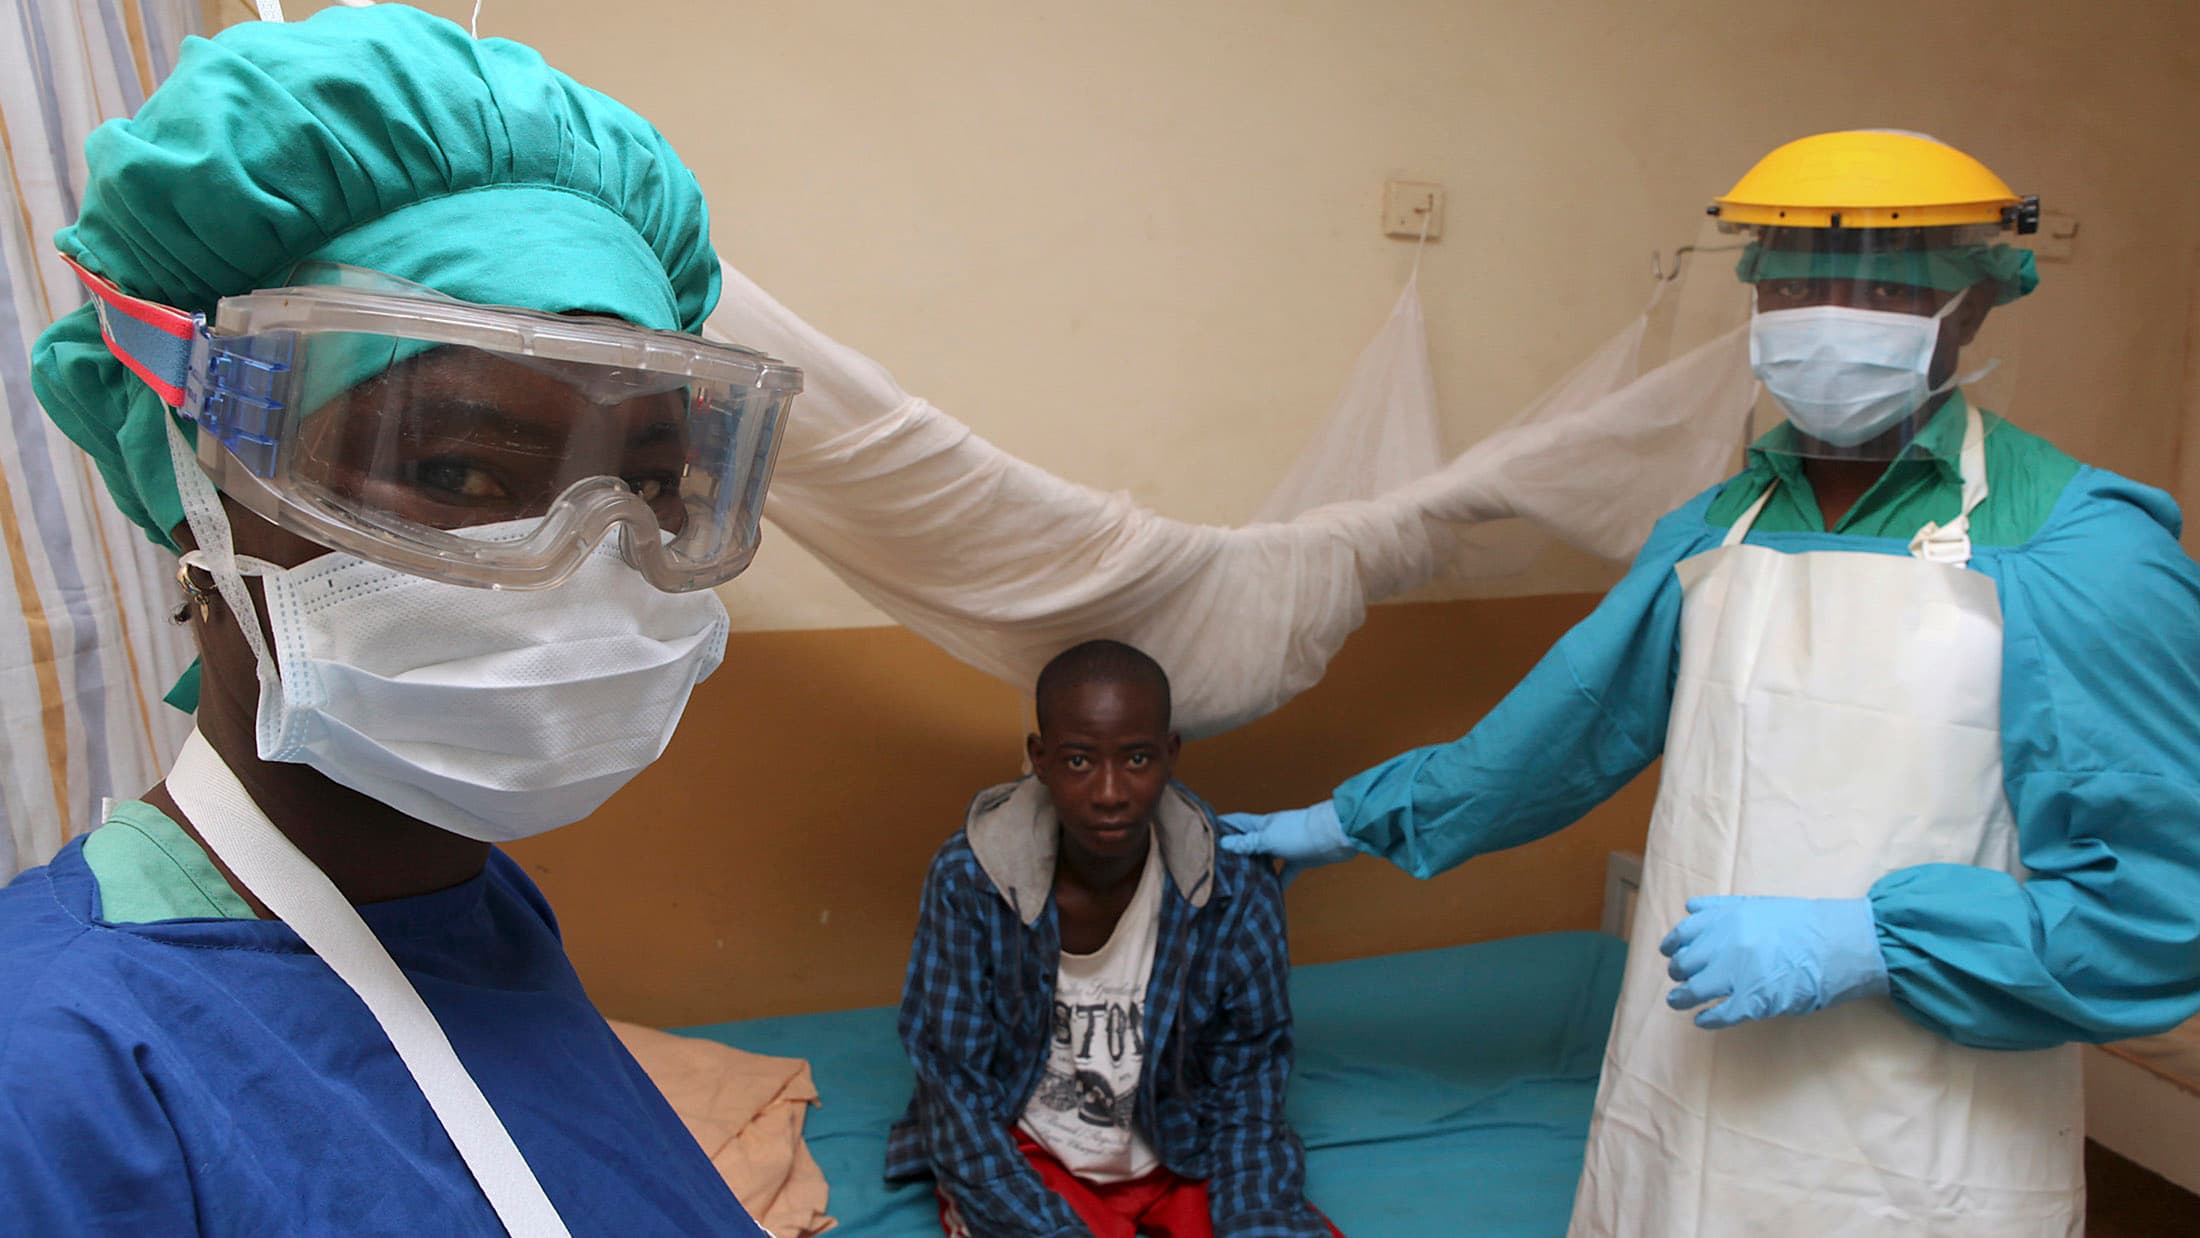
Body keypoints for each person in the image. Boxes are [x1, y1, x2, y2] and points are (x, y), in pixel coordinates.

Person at [1219, 130, 2200, 1234]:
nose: (1828, 312)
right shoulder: (1711, 528)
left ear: (1969, 306)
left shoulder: (2080, 549)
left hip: (1922, 1137)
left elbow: (2163, 907)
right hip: (1681, 1100)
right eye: (1793, 280)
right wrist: (1336, 822)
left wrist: (1875, 941)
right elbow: (1556, 732)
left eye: (1880, 284)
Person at [0, 6, 803, 1234]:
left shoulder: (476, 904)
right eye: (457, 472)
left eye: (647, 483)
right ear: (193, 483)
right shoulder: (57, 1077)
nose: (584, 561)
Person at [890, 639, 1341, 1237]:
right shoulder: (972, 881)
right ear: (1040, 759)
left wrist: (1256, 1221)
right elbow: (955, 1090)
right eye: (1079, 761)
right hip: (1030, 1154)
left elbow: (1249, 1081)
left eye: (1136, 759)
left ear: (1170, 754)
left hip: (1183, 1149)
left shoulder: (1231, 886)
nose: (1109, 792)